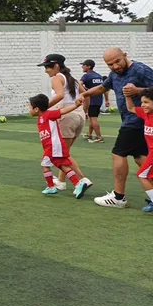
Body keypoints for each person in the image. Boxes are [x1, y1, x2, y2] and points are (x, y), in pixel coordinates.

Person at [78, 47, 153, 208]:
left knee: (118, 153)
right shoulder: (113, 75)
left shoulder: (140, 69)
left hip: (136, 120)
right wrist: (85, 94)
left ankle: (118, 197)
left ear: (125, 56)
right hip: (134, 121)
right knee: (141, 157)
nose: (115, 66)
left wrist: (137, 90)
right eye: (110, 64)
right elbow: (103, 87)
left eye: (117, 61)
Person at [37, 54, 87, 191]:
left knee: (62, 154)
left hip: (66, 116)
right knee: (64, 152)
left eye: (47, 67)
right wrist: (84, 111)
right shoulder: (73, 79)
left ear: (56, 66)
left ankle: (82, 180)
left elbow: (60, 95)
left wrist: (43, 109)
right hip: (79, 116)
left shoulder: (56, 78)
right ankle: (61, 181)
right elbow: (85, 94)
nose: (46, 70)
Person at [28, 94, 93, 198]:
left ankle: (53, 187)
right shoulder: (40, 118)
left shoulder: (49, 115)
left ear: (36, 109)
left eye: (29, 107)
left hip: (53, 146)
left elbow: (62, 111)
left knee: (46, 165)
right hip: (51, 147)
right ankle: (76, 184)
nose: (29, 109)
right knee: (61, 166)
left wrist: (75, 106)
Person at [124, 87, 153, 212]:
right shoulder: (146, 114)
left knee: (142, 175)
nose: (143, 105)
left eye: (146, 102)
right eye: (142, 102)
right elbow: (131, 108)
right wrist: (128, 96)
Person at [79, 59, 109, 143]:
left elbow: (79, 84)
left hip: (91, 100)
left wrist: (85, 91)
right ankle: (89, 134)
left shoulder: (86, 76)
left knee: (93, 119)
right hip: (99, 100)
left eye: (83, 65)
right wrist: (107, 100)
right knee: (92, 117)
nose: (82, 67)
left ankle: (99, 137)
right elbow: (104, 88)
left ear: (88, 66)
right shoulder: (99, 76)